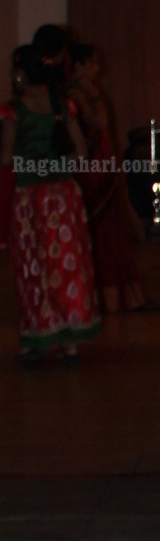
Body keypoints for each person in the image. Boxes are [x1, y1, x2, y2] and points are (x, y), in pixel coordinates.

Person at [1, 43, 102, 363]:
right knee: (66, 265)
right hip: (63, 197)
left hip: (31, 198)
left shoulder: (14, 110)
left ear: (20, 74)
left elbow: (6, 157)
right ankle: (71, 341)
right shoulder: (64, 106)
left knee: (34, 267)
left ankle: (37, 339)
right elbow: (82, 153)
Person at [68, 42, 146, 313]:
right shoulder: (76, 94)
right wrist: (95, 97)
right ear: (78, 66)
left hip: (101, 167)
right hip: (90, 171)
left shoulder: (83, 92)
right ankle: (103, 299)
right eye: (92, 63)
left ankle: (119, 297)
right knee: (101, 232)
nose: (97, 69)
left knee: (110, 231)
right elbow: (99, 123)